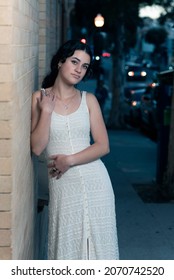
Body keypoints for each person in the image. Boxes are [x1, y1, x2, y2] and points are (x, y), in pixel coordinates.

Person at [30, 39, 119, 260]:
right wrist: (47, 111)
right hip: (63, 186)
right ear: (60, 62)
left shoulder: (89, 100)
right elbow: (37, 147)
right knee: (67, 249)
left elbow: (103, 146)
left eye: (85, 66)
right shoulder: (39, 98)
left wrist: (69, 160)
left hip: (97, 183)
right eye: (74, 62)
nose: (79, 70)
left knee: (99, 251)